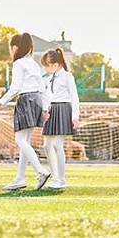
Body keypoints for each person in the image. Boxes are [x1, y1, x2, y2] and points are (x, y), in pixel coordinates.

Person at [0, 33, 51, 191]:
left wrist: (1, 101)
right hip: (37, 99)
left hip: (26, 100)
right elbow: (43, 87)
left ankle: (40, 171)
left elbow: (16, 87)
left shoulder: (19, 63)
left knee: (20, 141)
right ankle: (20, 178)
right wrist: (45, 108)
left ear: (15, 47)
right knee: (25, 141)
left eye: (11, 48)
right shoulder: (33, 64)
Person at [41, 48, 80, 189]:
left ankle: (61, 179)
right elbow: (46, 96)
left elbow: (74, 97)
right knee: (46, 146)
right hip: (51, 112)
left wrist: (75, 116)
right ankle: (55, 176)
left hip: (63, 109)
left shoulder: (67, 76)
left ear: (56, 65)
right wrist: (45, 110)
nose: (45, 68)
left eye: (47, 65)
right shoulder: (48, 78)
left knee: (58, 145)